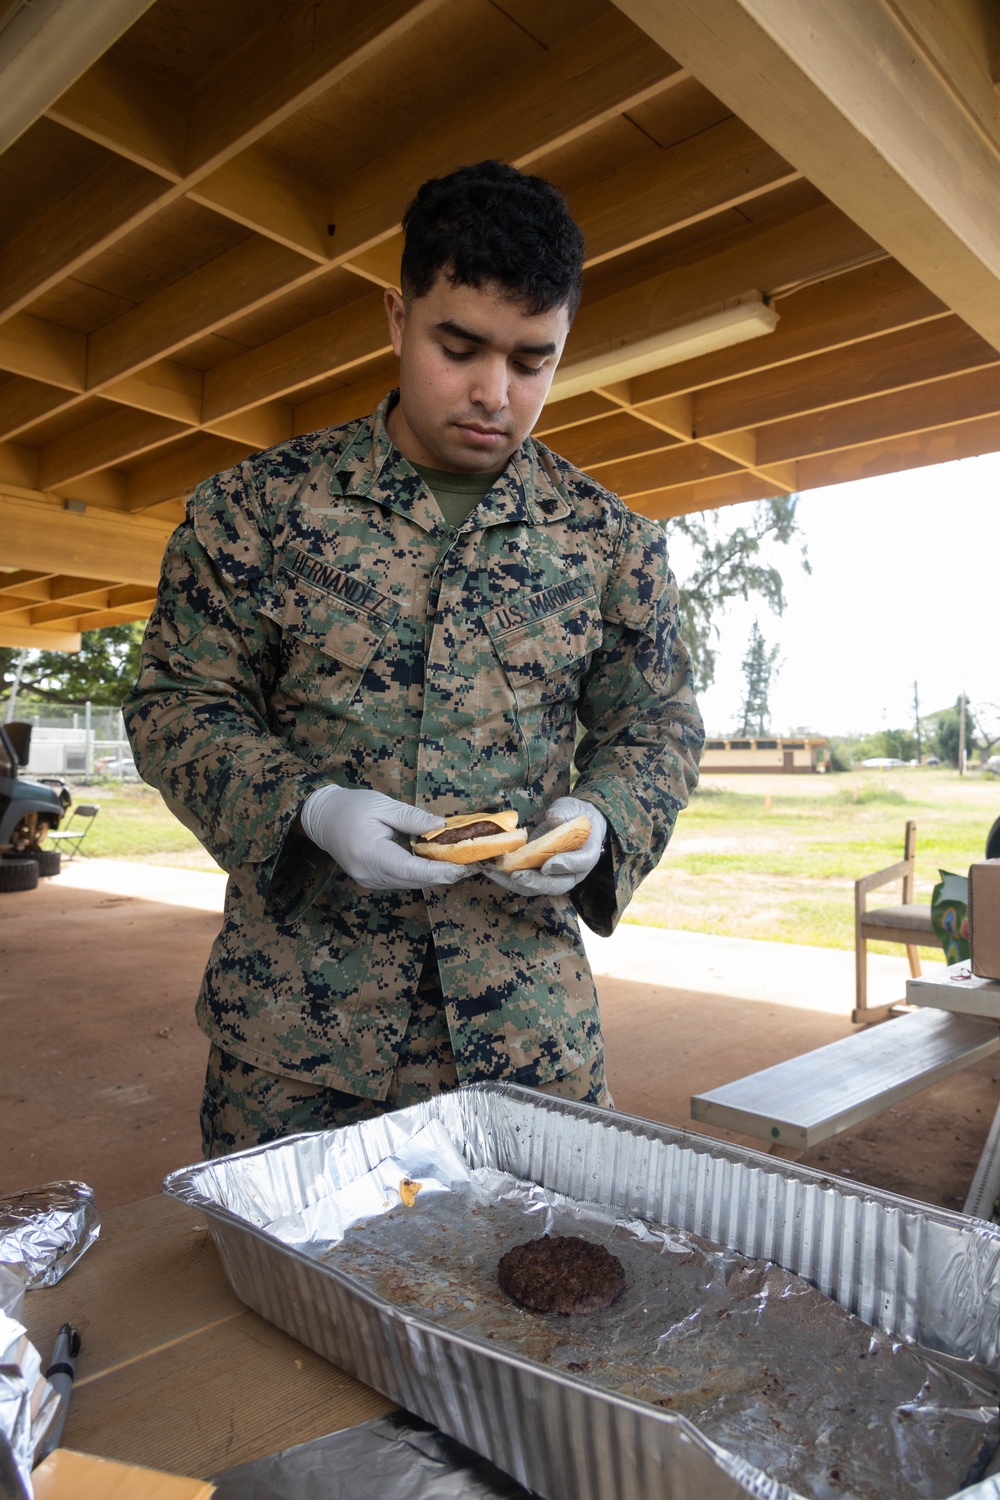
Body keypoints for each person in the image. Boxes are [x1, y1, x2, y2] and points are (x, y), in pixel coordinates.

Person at [124, 160, 703, 1157]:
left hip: (524, 1037)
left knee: (535, 1299)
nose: (494, 392)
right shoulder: (257, 512)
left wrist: (600, 819)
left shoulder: (609, 540)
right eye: (459, 345)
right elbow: (178, 704)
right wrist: (308, 812)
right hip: (302, 1042)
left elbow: (656, 726)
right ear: (397, 318)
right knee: (280, 1299)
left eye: (533, 361)